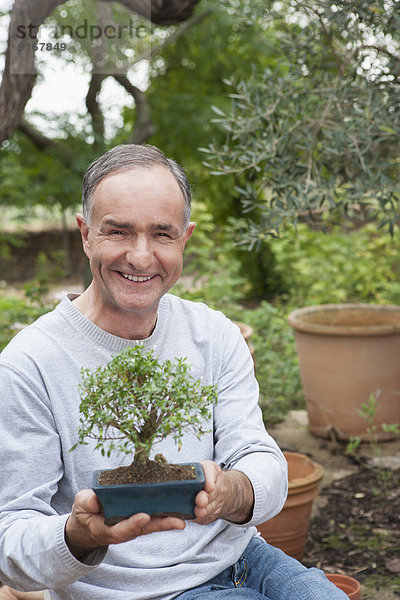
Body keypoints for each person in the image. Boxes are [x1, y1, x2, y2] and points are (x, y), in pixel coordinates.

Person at [0, 144, 348, 600]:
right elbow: (11, 538)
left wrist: (233, 490)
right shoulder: (31, 364)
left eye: (162, 234)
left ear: (185, 238)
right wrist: (77, 534)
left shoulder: (212, 334)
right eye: (118, 231)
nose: (141, 257)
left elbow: (260, 456)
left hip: (244, 560)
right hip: (134, 591)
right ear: (86, 234)